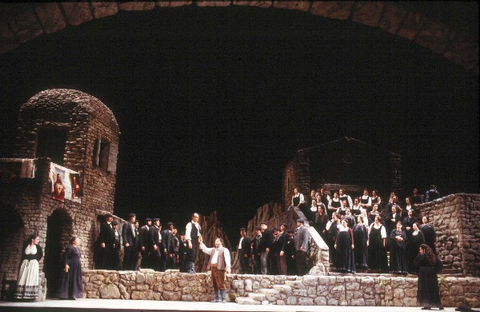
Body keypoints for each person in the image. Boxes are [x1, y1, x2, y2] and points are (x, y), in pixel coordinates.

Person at [199, 236, 231, 303]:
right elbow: (206, 249)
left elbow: (227, 258)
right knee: (215, 283)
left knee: (221, 283)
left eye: (217, 241)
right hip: (213, 268)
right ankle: (217, 298)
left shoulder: (224, 250)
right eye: (215, 241)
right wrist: (201, 243)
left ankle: (223, 298)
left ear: (221, 242)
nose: (216, 242)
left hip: (220, 268)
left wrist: (228, 267)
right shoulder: (213, 250)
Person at [14, 234, 43, 300]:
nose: (38, 241)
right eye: (37, 239)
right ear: (32, 239)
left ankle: (30, 296)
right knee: (23, 277)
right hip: (25, 263)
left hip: (33, 264)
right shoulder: (26, 246)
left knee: (31, 278)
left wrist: (34, 261)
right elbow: (23, 255)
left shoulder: (38, 247)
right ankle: (20, 294)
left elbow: (40, 255)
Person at [415, 244, 444, 310]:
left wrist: (419, 270)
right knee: (433, 289)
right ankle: (438, 305)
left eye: (420, 250)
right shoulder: (432, 256)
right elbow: (439, 264)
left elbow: (416, 264)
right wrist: (435, 270)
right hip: (432, 274)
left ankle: (427, 304)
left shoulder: (421, 256)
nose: (420, 251)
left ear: (424, 249)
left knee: (425, 289)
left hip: (424, 274)